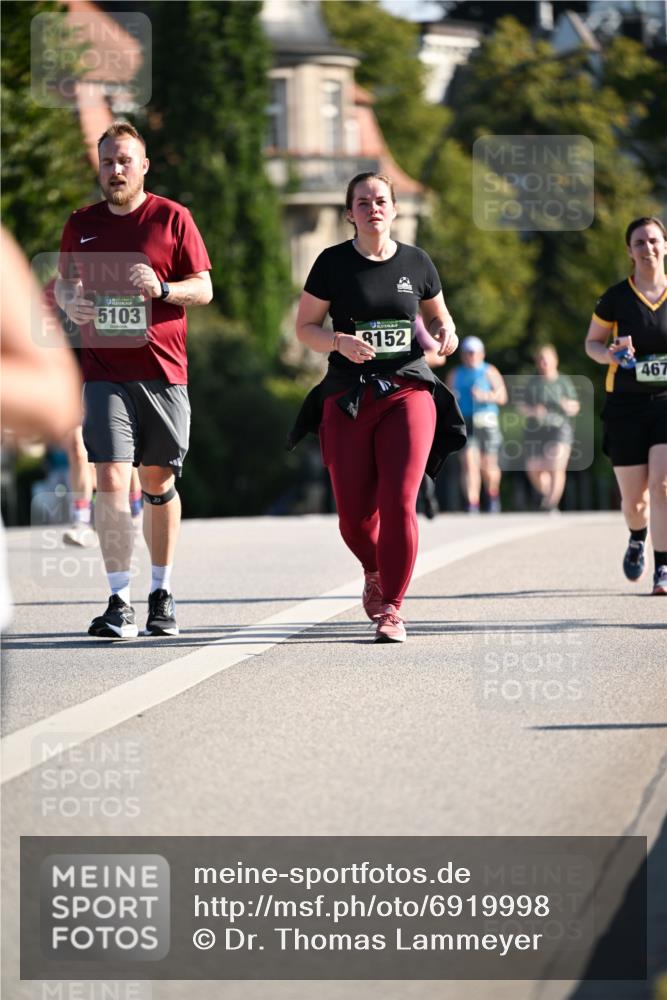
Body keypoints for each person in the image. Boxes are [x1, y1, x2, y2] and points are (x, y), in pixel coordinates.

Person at [290, 172, 465, 643]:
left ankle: (392, 607)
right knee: (353, 516)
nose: (373, 208)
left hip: (408, 391)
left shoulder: (417, 261)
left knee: (399, 501)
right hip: (349, 396)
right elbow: (304, 327)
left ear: (394, 207)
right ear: (350, 213)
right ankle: (373, 569)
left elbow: (438, 316)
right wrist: (338, 341)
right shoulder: (332, 263)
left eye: (381, 200)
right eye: (363, 202)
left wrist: (446, 332)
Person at [55, 120, 212, 638]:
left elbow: (204, 289)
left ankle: (161, 592)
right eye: (107, 162)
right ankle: (118, 600)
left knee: (157, 482)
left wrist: (163, 288)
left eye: (125, 161)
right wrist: (69, 301)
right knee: (110, 480)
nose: (115, 170)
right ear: (98, 168)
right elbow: (63, 288)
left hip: (163, 373)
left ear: (143, 166)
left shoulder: (173, 217)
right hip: (104, 373)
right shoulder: (81, 223)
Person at [1, 227, 82, 629]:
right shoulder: (56, 290)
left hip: (98, 386)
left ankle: (89, 516)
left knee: (89, 455)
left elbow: (53, 394)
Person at [585, 216, 667, 596]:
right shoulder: (616, 297)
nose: (647, 248)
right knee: (636, 501)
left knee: (662, 484)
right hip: (626, 405)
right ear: (629, 251)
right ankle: (638, 536)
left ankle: (663, 568)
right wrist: (612, 356)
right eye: (639, 242)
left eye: (653, 240)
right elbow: (593, 344)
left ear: (665, 245)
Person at [447, 336, 507, 513]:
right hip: (466, 420)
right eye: (467, 353)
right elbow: (449, 398)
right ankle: (473, 503)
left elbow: (502, 397)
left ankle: (492, 494)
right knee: (469, 463)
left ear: (481, 354)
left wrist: (486, 396)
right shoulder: (455, 373)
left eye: (474, 353)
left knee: (488, 465)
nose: (471, 356)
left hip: (487, 420)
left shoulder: (489, 371)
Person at [519, 344, 580, 512]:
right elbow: (521, 406)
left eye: (546, 359)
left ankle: (551, 504)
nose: (543, 363)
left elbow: (575, 406)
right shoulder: (533, 383)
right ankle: (548, 495)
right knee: (533, 468)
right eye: (540, 360)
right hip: (537, 429)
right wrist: (533, 411)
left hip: (560, 429)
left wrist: (567, 405)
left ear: (555, 361)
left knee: (556, 464)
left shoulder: (563, 382)